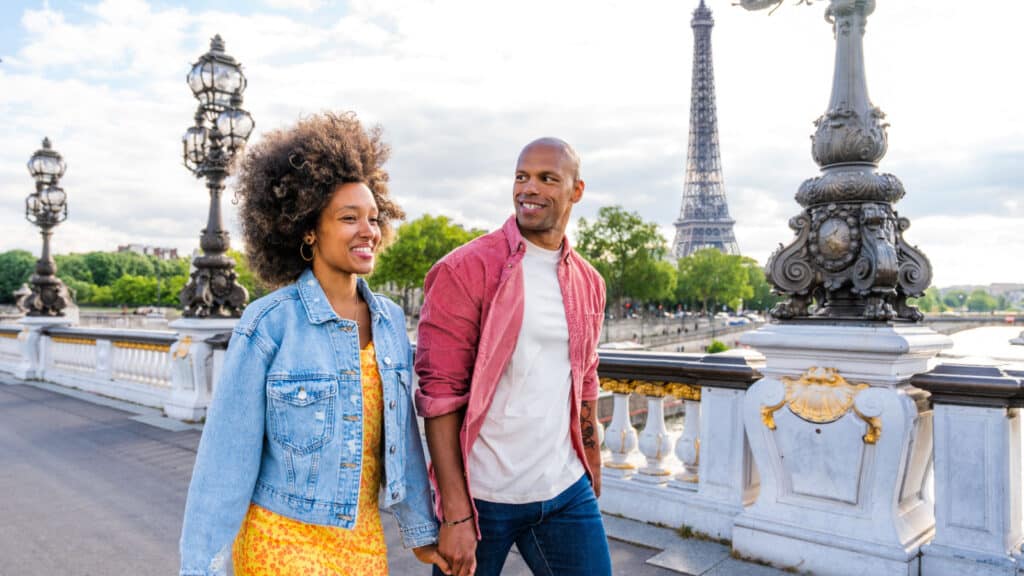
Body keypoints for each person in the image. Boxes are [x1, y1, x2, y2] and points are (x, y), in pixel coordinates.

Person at [179, 112, 449, 576]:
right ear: (308, 229)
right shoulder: (269, 324)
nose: (369, 230)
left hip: (362, 542)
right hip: (279, 539)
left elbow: (402, 439)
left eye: (373, 217)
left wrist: (422, 534)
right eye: (349, 218)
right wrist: (199, 567)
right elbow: (225, 462)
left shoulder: (388, 320)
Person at [415, 137, 612, 576]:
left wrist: (591, 460)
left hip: (564, 490)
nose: (529, 188)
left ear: (576, 191)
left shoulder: (589, 281)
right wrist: (456, 512)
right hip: (483, 499)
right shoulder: (464, 270)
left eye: (547, 178)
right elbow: (438, 399)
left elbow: (585, 378)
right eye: (522, 176)